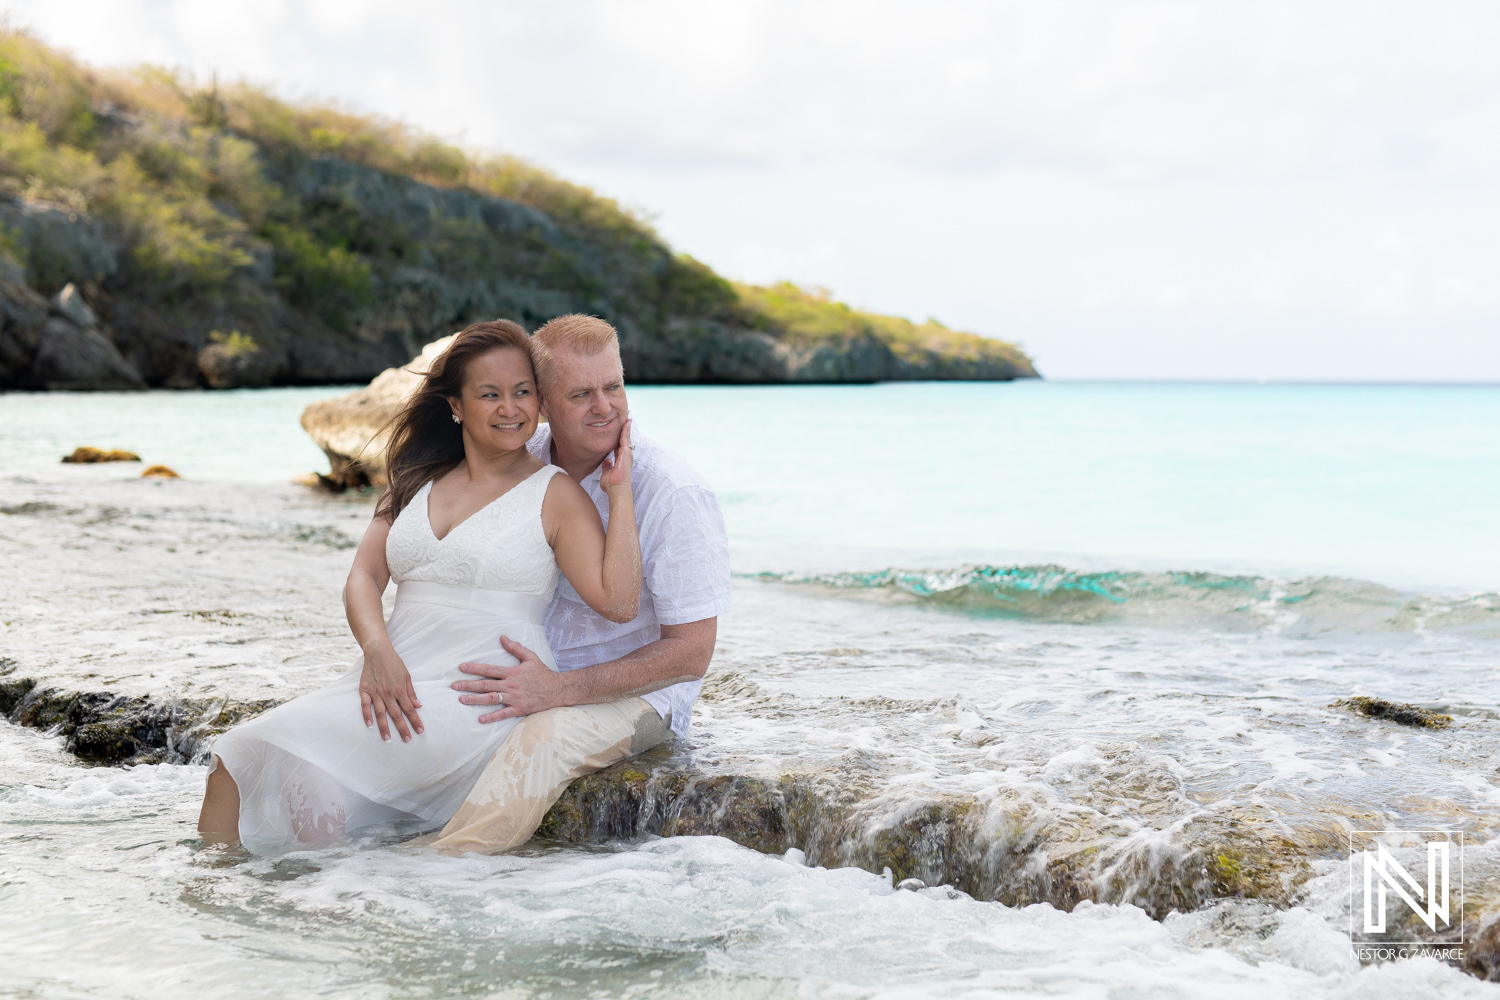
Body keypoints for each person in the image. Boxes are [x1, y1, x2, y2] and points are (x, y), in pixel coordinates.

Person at [196, 320, 642, 851]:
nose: (510, 408)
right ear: (455, 405)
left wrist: (619, 492)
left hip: (475, 698)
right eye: (490, 394)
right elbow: (363, 576)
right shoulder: (414, 476)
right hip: (391, 678)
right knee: (253, 764)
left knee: (254, 747)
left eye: (523, 392)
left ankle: (297, 888)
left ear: (540, 402)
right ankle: (284, 892)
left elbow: (619, 603)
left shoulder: (556, 493)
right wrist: (377, 649)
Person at [418, 314, 731, 854]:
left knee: (542, 740)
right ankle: (348, 860)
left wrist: (559, 691)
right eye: (582, 394)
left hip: (637, 697)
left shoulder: (673, 490)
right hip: (527, 671)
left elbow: (692, 653)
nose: (605, 407)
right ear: (541, 402)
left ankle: (433, 874)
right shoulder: (522, 456)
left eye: (614, 387)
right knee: (409, 716)